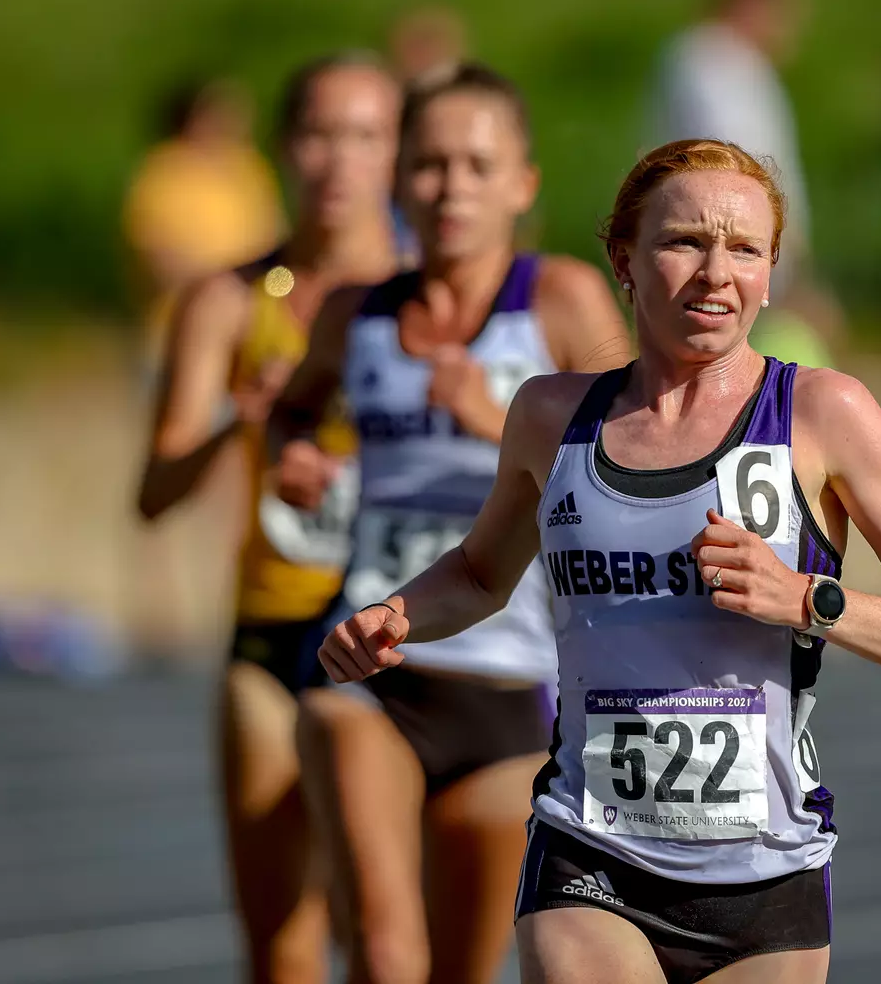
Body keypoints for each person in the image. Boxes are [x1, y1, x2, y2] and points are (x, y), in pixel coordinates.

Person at [318, 139, 881, 984]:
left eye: (745, 249)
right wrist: (398, 617)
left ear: (771, 273)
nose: (717, 272)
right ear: (623, 260)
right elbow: (483, 574)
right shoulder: (551, 416)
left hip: (765, 873)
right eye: (684, 243)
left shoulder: (822, 413)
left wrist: (810, 599)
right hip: (588, 848)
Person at [269, 63, 629, 984]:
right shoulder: (357, 314)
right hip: (374, 667)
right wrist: (296, 452)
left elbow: (646, 457)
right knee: (387, 957)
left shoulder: (558, 302)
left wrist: (496, 423)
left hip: (511, 687)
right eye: (429, 164)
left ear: (523, 184)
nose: (451, 188)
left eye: (477, 164)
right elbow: (294, 408)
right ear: (399, 180)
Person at [136, 51, 402, 984]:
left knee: (386, 941)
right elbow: (154, 493)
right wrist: (234, 422)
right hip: (275, 629)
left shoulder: (438, 299)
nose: (339, 160)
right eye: (320, 135)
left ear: (397, 154)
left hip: (400, 636)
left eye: (365, 136)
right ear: (287, 148)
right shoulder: (228, 300)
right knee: (283, 945)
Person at [650, 0, 840, 367]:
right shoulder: (711, 62)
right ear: (749, 2)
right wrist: (780, 264)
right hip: (733, 245)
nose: (789, 31)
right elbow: (736, 165)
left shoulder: (741, 67)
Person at [124, 75, 285, 362]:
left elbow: (278, 244)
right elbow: (158, 258)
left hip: (251, 334)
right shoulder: (164, 171)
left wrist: (279, 296)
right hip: (176, 331)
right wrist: (226, 288)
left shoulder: (250, 169)